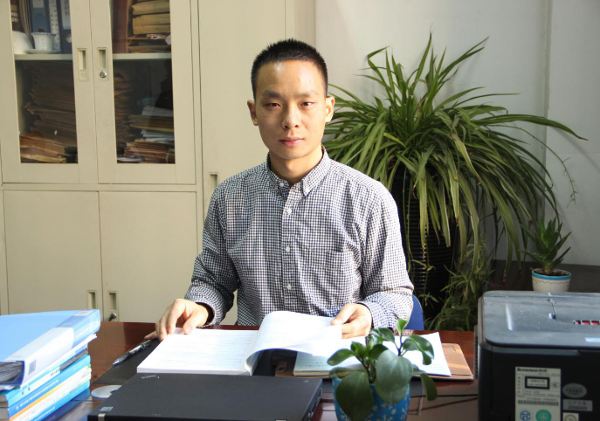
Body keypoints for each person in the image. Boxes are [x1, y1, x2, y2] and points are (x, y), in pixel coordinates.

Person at [151, 39, 413, 340]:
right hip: (253, 356)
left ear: (328, 109)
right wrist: (200, 306)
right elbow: (213, 282)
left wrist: (368, 313)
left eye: (306, 104)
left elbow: (395, 295)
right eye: (274, 105)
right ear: (254, 112)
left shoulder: (369, 199)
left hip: (336, 355)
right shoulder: (229, 197)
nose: (291, 121)